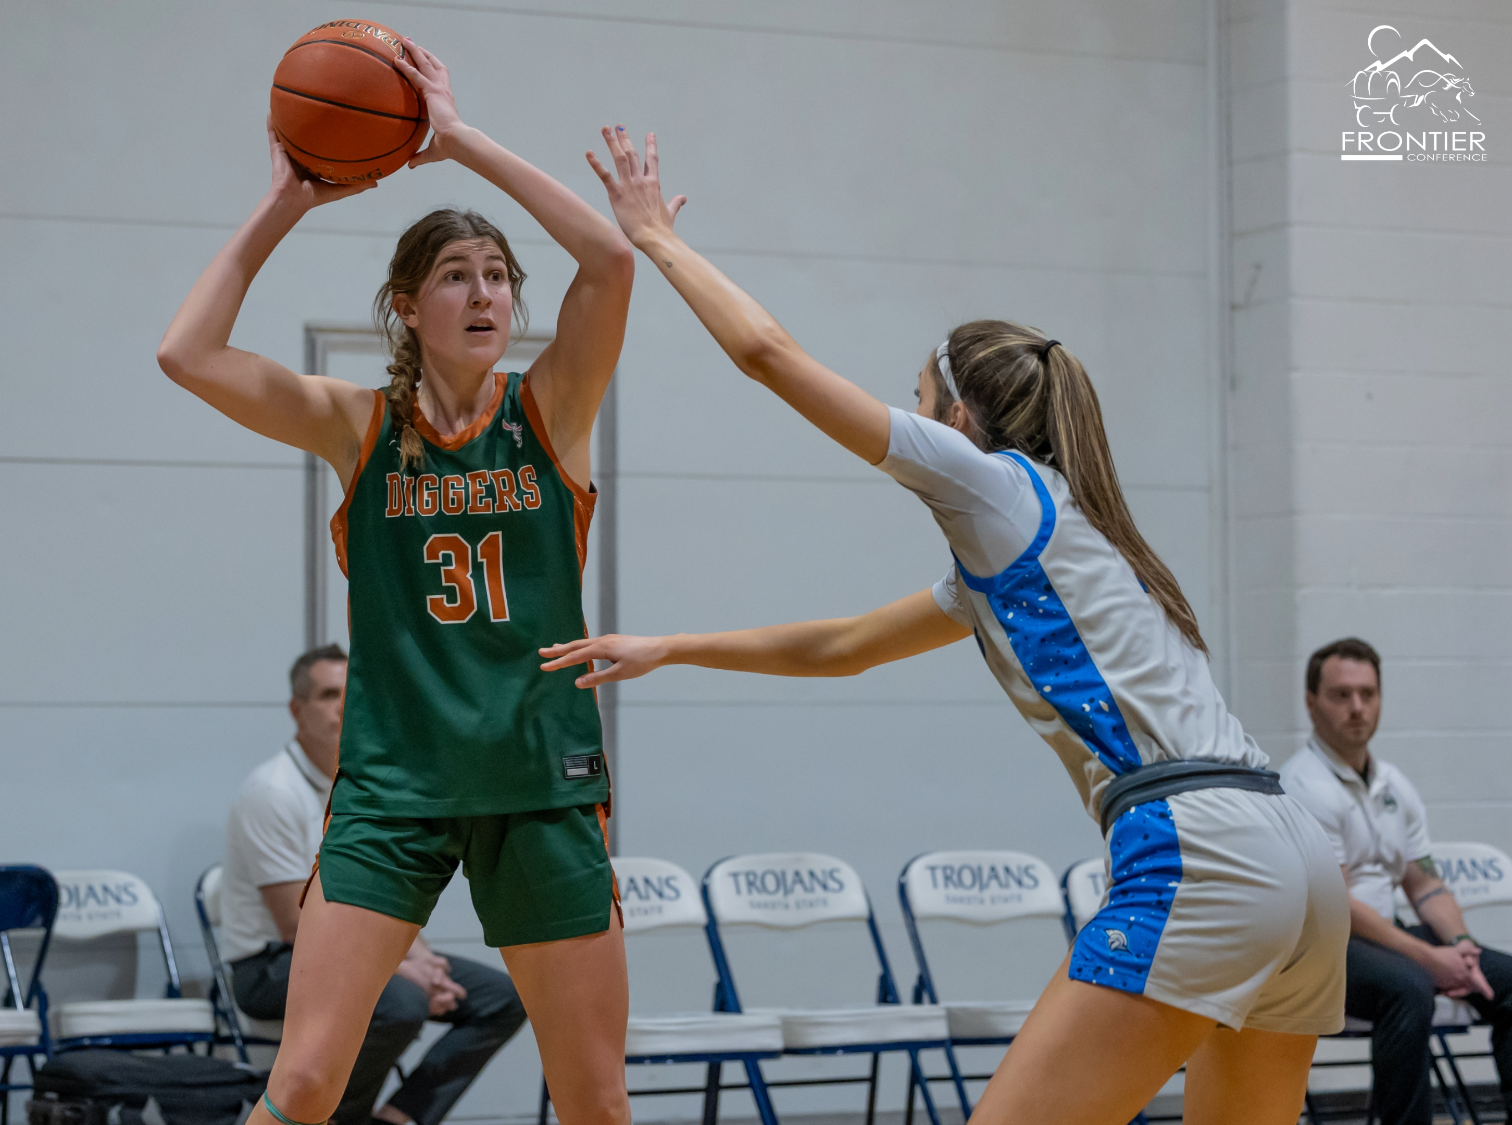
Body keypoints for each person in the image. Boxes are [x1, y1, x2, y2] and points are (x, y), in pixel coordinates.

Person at [541, 127, 1349, 1125]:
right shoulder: (1062, 536)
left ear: (956, 418)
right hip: (1294, 858)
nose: (908, 414)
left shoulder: (990, 487)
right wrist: (672, 646)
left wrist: (655, 240)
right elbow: (840, 647)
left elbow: (765, 354)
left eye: (918, 401)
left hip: (1200, 849)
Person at [156, 40, 636, 1125]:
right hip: (391, 791)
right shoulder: (356, 425)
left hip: (539, 781)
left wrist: (454, 137)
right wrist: (287, 199)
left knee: (595, 1096)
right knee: (308, 1080)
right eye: (457, 276)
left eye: (498, 275)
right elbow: (187, 354)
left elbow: (608, 262)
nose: (484, 293)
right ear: (408, 307)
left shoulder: (549, 412)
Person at [221, 645, 528, 1125]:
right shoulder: (272, 792)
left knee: (501, 997)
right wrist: (403, 972)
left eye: (352, 693)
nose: (344, 705)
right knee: (399, 1000)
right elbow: (293, 924)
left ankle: (397, 1119)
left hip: (355, 946)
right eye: (328, 694)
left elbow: (392, 893)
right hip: (270, 965)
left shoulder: (368, 784)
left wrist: (424, 962)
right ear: (296, 710)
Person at [1279, 637, 1511, 1125]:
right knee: (1408, 987)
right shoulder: (1304, 785)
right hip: (1322, 950)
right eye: (1342, 695)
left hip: (1385, 937)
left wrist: (1460, 947)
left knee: (1506, 979)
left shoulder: (1394, 786)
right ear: (1311, 703)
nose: (1357, 708)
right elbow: (1337, 906)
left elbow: (1424, 884)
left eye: (1368, 693)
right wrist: (1429, 960)